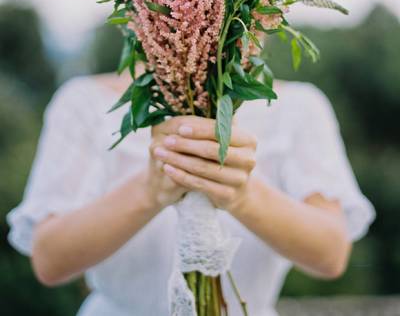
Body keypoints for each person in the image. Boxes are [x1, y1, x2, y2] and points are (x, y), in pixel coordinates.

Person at [7, 65, 375, 316]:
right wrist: (150, 191)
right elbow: (49, 258)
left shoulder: (300, 107)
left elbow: (331, 253)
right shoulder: (83, 102)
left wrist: (242, 195)